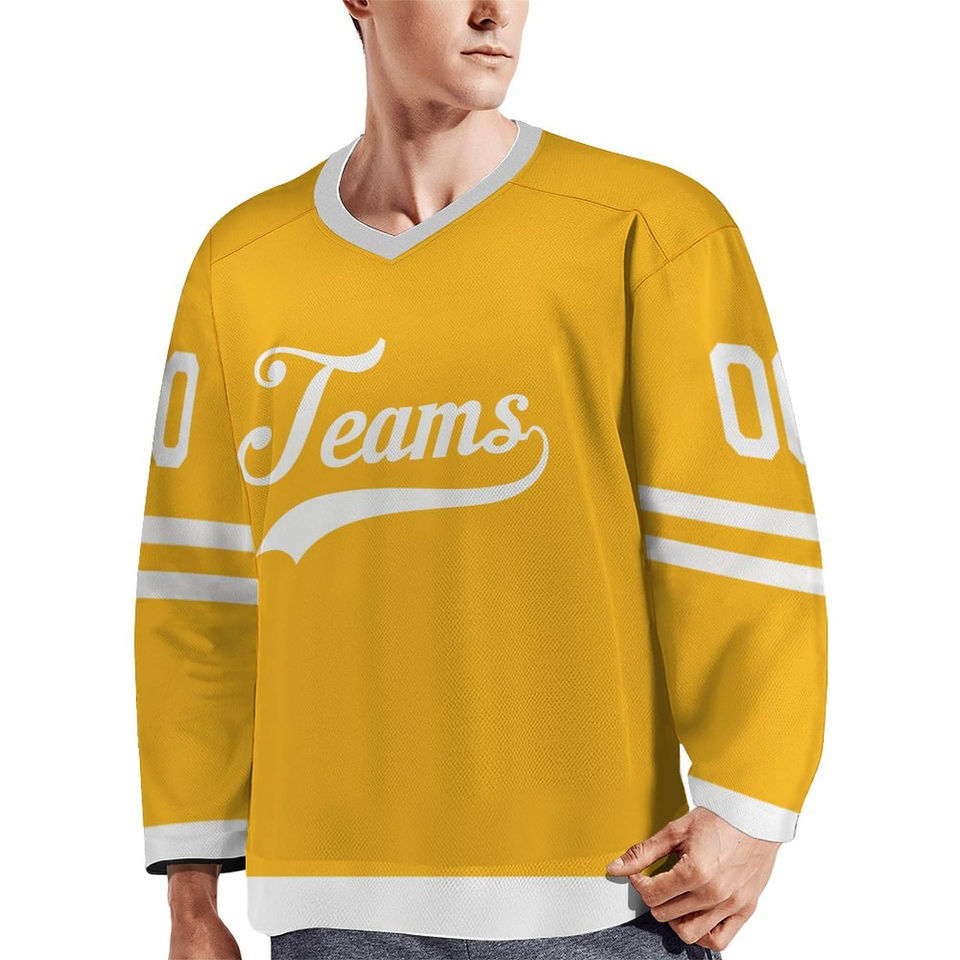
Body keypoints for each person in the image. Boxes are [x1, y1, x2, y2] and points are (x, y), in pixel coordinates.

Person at [133, 2, 828, 958]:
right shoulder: (242, 264)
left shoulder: (649, 227)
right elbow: (197, 591)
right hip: (331, 908)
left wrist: (752, 809)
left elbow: (740, 537)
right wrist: (192, 894)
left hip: (601, 896)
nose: (494, 11)